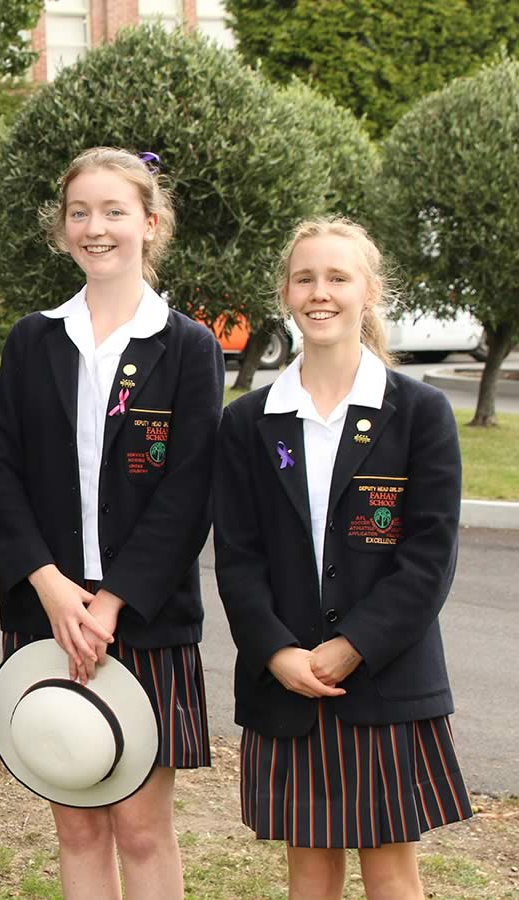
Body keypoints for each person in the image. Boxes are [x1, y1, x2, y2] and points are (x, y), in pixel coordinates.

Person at [0, 147, 221, 899]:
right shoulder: (32, 340)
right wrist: (52, 590)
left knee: (142, 830)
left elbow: (187, 493)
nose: (96, 227)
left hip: (143, 619)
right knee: (77, 823)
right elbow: (4, 477)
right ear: (63, 229)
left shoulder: (188, 347)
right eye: (79, 212)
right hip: (47, 615)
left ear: (150, 224)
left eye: (114, 211)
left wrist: (111, 602)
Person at [214, 218, 472, 899]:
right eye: (305, 279)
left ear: (370, 292)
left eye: (337, 277)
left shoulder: (419, 413)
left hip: (385, 680)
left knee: (390, 865)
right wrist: (278, 653)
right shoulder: (249, 420)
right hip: (287, 681)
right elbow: (237, 558)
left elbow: (429, 557)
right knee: (310, 865)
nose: (319, 293)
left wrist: (351, 646)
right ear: (286, 294)